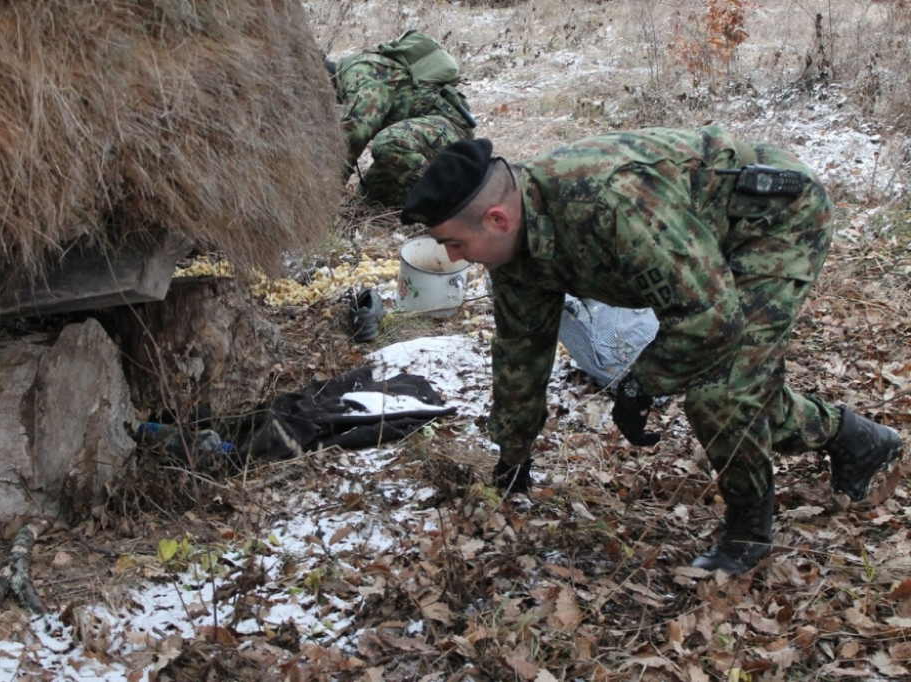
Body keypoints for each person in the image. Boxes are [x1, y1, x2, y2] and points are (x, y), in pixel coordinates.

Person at [399, 128, 904, 575]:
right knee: (746, 388)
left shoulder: (608, 204)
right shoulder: (515, 250)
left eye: (455, 243)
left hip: (772, 222)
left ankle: (749, 530)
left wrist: (643, 384)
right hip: (698, 243)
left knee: (722, 393)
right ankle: (857, 439)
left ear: (497, 219)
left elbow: (709, 317)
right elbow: (519, 351)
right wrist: (513, 458)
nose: (451, 258)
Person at [326, 30, 476, 208]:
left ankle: (455, 204)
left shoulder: (359, 72)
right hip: (421, 135)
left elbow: (357, 134)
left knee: (388, 144)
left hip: (448, 126)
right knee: (367, 202)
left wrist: (325, 193)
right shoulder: (359, 71)